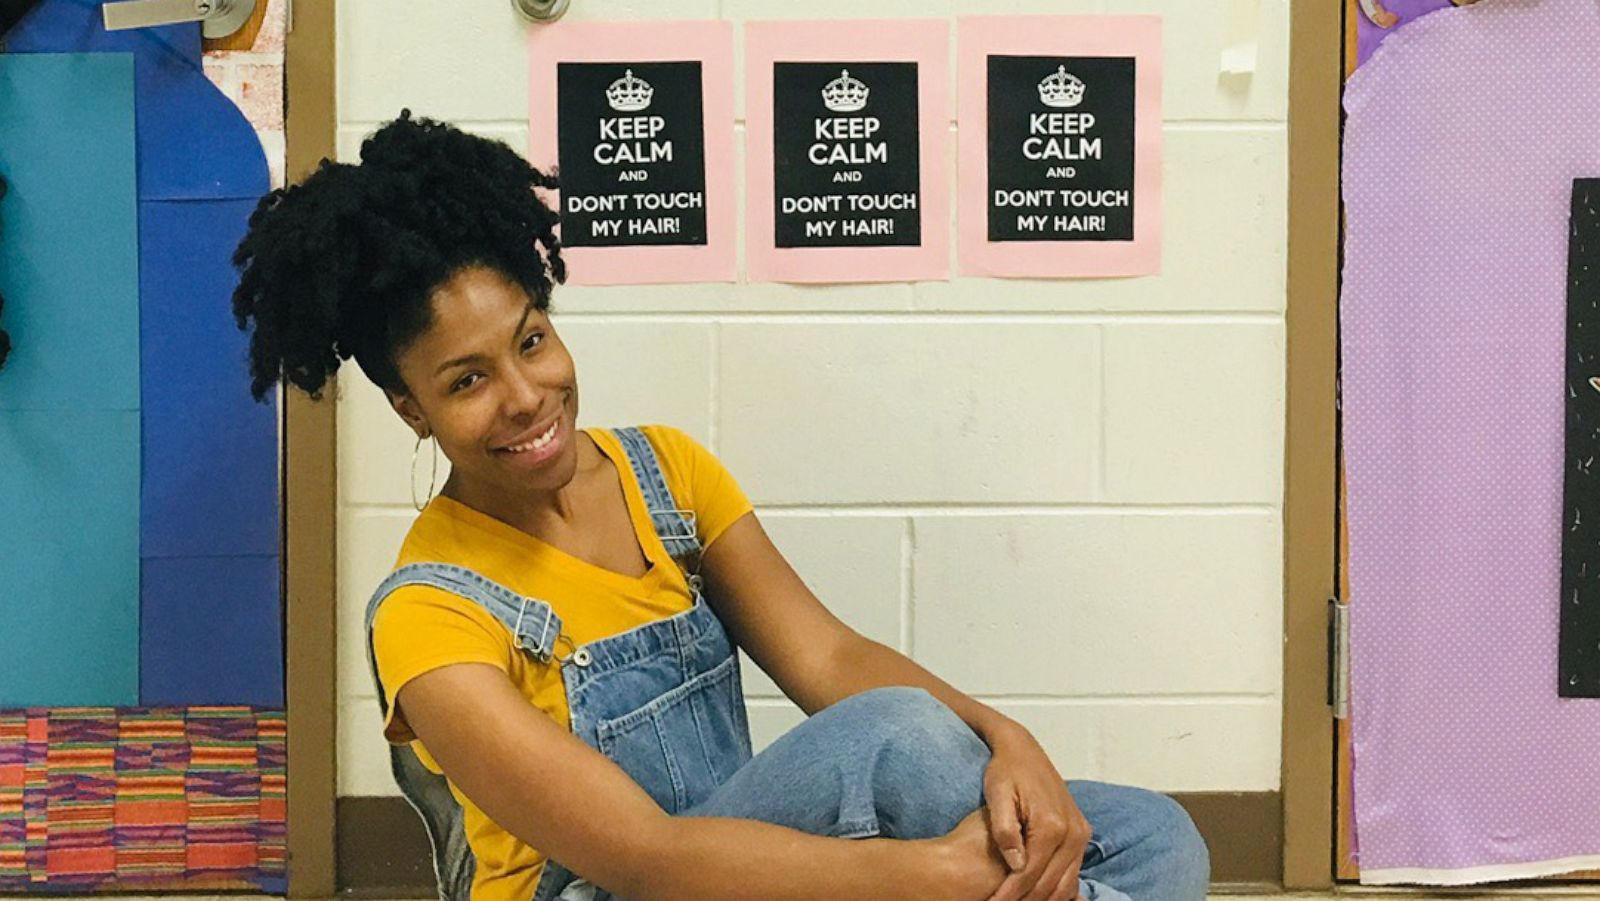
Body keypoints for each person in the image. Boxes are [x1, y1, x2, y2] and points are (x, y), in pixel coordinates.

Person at [230, 111, 1209, 901]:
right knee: (902, 741)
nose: (525, 397)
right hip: (627, 884)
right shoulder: (429, 613)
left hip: (752, 855)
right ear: (411, 408)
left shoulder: (666, 473)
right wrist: (913, 875)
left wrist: (1010, 740)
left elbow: (828, 659)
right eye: (466, 379)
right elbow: (648, 857)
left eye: (529, 342)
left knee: (1153, 837)